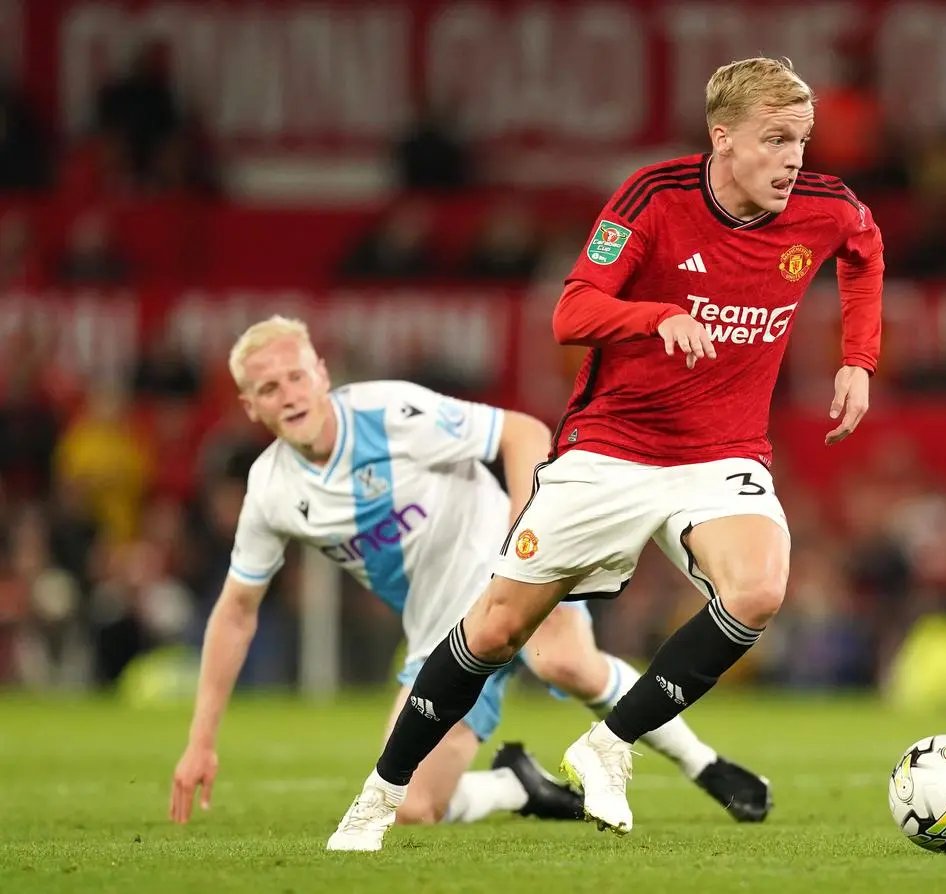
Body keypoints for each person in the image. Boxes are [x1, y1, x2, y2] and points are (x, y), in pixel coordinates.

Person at [327, 54, 882, 850]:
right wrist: (654, 316)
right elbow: (572, 310)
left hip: (721, 453)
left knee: (758, 590)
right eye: (776, 139)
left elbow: (864, 250)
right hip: (612, 449)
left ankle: (609, 743)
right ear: (722, 139)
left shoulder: (825, 207)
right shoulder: (653, 198)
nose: (795, 157)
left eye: (803, 139)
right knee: (494, 631)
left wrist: (858, 358)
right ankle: (378, 799)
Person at [168, 316, 772, 830]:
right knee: (413, 808)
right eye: (268, 388)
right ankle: (516, 788)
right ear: (249, 406)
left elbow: (522, 432)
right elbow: (236, 611)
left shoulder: (387, 411)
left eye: (296, 376)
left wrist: (524, 548)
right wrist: (200, 741)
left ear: (322, 373)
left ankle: (704, 764)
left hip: (510, 573)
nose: (289, 394)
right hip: (442, 634)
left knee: (563, 658)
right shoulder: (270, 493)